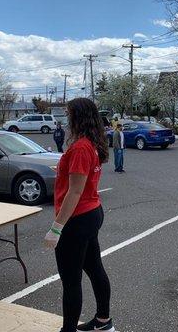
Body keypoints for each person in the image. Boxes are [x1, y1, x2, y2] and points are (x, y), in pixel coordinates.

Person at [44, 98, 115, 332]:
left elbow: (74, 192)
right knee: (94, 268)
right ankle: (103, 321)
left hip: (78, 219)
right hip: (91, 213)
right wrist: (64, 169)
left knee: (71, 280)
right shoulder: (90, 144)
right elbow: (79, 180)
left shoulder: (81, 147)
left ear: (78, 117)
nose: (65, 118)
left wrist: (56, 228)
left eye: (67, 114)